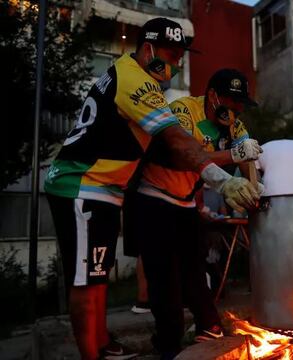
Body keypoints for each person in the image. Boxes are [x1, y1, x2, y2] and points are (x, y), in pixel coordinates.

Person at [44, 18, 262, 360]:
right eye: (172, 55)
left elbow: (249, 152)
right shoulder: (142, 84)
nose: (177, 64)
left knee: (99, 273)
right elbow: (177, 145)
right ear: (148, 50)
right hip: (88, 183)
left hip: (111, 189)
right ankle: (107, 351)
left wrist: (252, 182)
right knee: (92, 279)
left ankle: (104, 343)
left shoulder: (147, 84)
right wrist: (225, 177)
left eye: (180, 57)